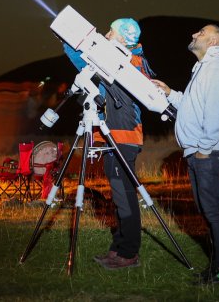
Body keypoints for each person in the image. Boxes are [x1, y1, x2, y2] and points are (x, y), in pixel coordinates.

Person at [64, 17, 157, 270]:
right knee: (119, 196)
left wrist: (74, 44)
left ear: (123, 37)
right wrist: (69, 38)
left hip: (123, 136)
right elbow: (85, 62)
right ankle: (119, 248)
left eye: (111, 31)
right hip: (113, 135)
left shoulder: (130, 62)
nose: (105, 35)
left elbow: (85, 60)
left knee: (124, 195)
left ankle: (128, 254)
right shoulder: (120, 59)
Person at [154, 24, 219, 285]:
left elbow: (213, 116)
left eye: (200, 33)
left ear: (213, 41)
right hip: (203, 152)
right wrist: (170, 93)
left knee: (214, 212)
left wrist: (203, 151)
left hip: (210, 152)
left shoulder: (214, 69)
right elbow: (193, 106)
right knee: (208, 210)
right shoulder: (204, 69)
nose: (193, 34)